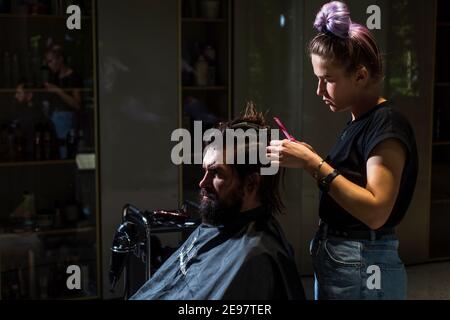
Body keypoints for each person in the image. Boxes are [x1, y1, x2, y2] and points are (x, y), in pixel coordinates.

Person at [266, 1, 418, 300]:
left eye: (328, 80)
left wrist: (313, 163)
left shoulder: (386, 122)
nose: (319, 91)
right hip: (347, 258)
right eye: (317, 79)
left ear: (360, 76)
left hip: (363, 262)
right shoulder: (359, 122)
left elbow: (376, 211)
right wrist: (314, 160)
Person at [130, 103, 306, 300]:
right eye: (204, 170)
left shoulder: (255, 258)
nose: (202, 182)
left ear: (251, 183)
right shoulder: (221, 226)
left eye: (216, 173)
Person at [44, 44, 83, 159]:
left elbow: (77, 104)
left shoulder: (73, 77)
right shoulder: (53, 77)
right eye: (47, 62)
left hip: (67, 128)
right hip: (54, 127)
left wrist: (57, 91)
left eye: (51, 61)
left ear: (60, 59)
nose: (49, 65)